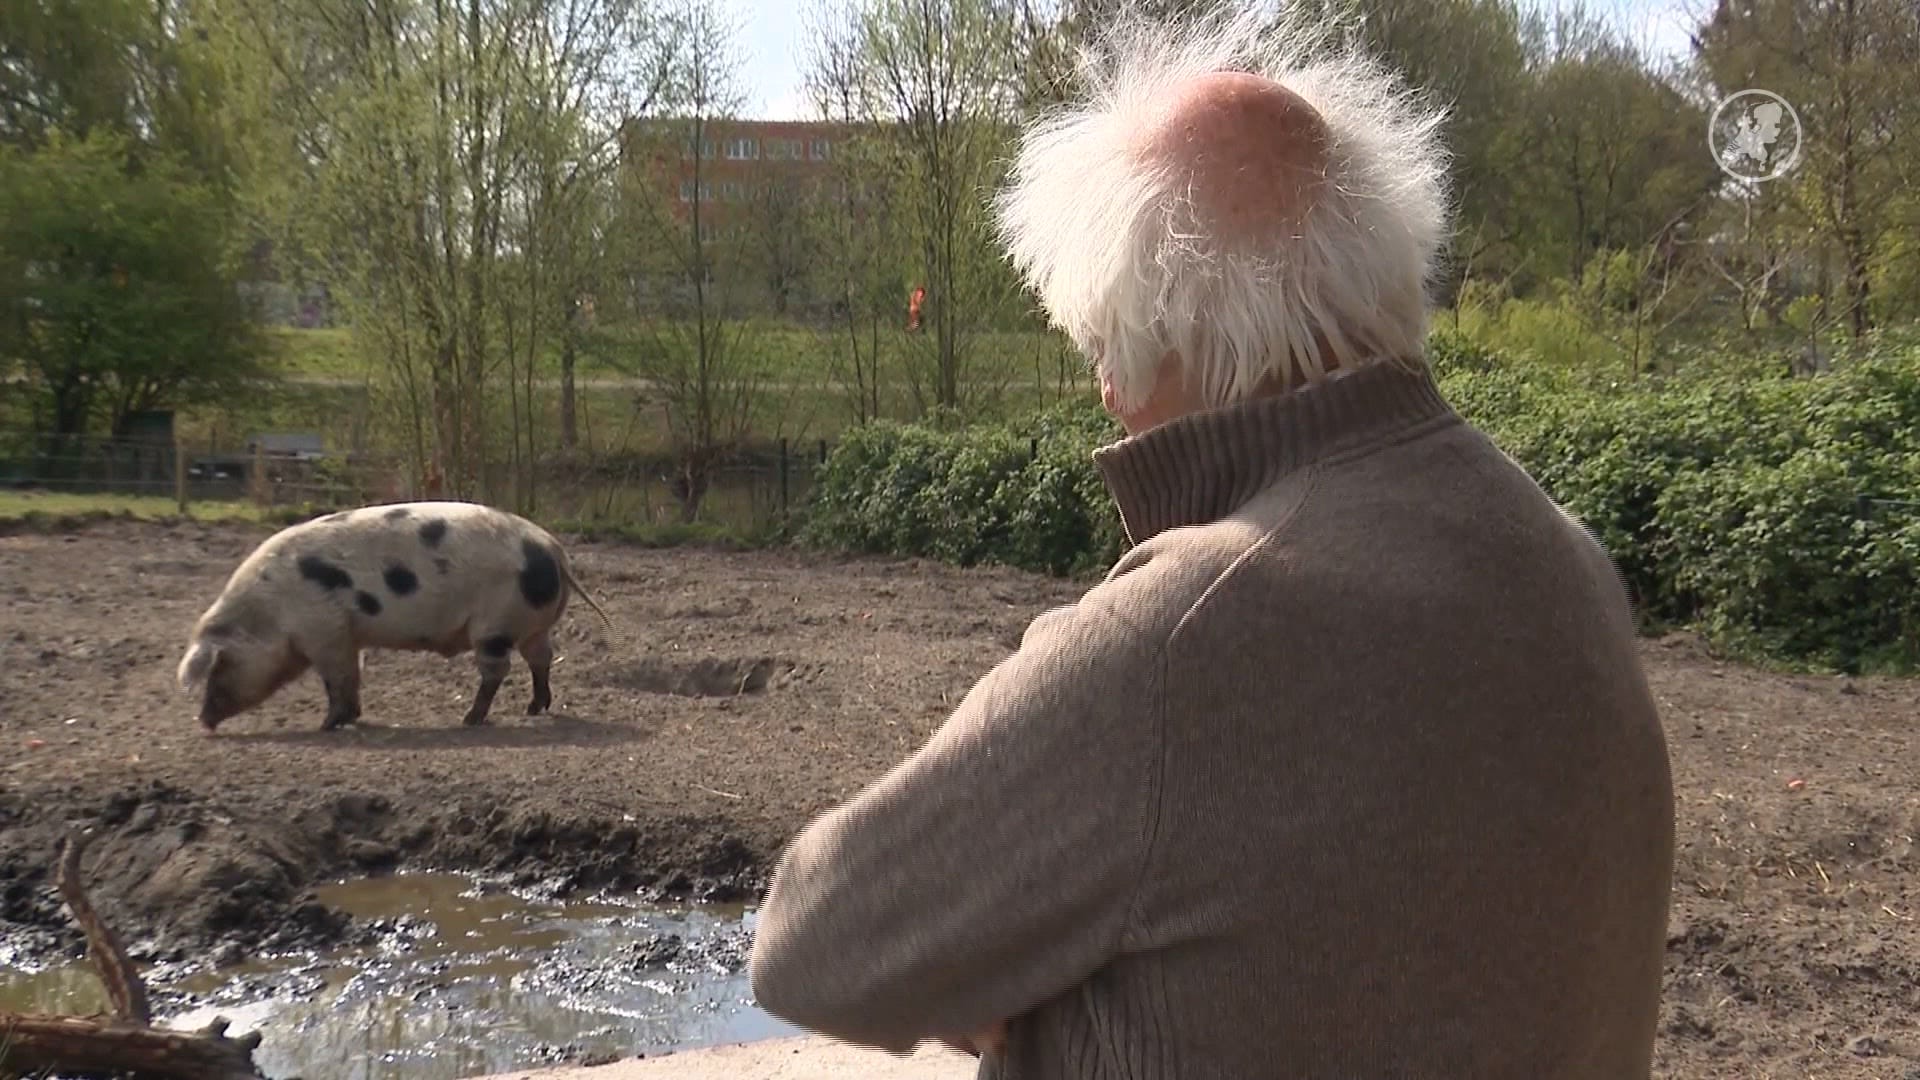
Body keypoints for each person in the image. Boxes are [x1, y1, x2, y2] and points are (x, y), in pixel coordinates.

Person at [747, 9, 1675, 1078]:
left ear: (1173, 336)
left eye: (1106, 344)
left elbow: (813, 941)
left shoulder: (1190, 631)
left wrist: (1011, 990)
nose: (1105, 391)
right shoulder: (1565, 560)